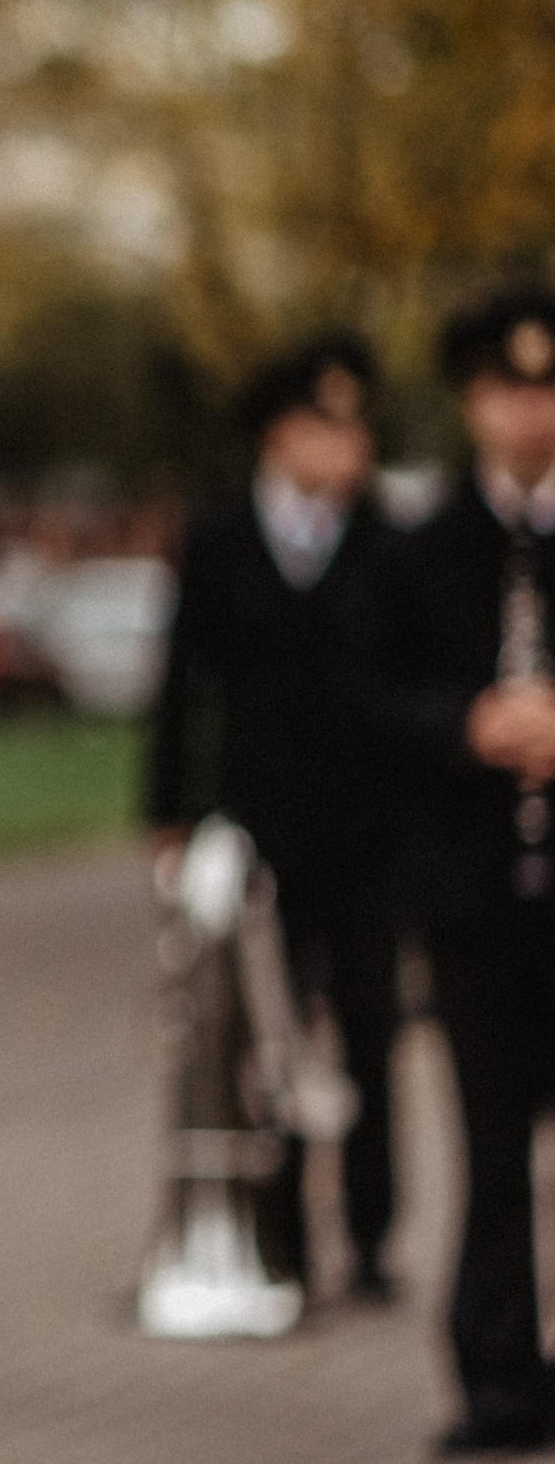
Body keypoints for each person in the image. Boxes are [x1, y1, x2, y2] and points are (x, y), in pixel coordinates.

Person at [146, 331, 399, 1304]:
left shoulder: (383, 533)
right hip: (260, 827)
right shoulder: (217, 534)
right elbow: (180, 680)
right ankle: (279, 1225)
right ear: (276, 435)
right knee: (264, 1035)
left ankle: (373, 1229)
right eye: (322, 427)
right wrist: (170, 810)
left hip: (367, 829)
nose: (344, 448)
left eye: (355, 426)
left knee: (370, 1025)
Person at [364, 287, 555, 1454]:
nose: (527, 412)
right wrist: (466, 723)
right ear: (471, 401)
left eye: (544, 387)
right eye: (504, 388)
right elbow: (366, 700)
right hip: (477, 901)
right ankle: (498, 1376)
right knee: (489, 1150)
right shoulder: (419, 542)